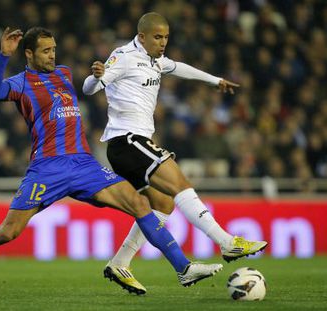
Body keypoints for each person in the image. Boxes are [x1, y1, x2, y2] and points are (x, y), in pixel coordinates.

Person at [0, 27, 224, 299]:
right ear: (29, 54)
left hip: (84, 165)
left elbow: (94, 86)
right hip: (48, 167)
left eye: (54, 49)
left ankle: (183, 268)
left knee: (141, 204)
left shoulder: (64, 73)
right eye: (45, 51)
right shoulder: (20, 83)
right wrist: (3, 56)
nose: (52, 55)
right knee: (8, 232)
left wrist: (99, 75)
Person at [83, 12, 268, 295]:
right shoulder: (124, 56)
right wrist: (95, 78)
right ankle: (227, 242)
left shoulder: (156, 60)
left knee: (163, 204)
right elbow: (90, 87)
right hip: (127, 140)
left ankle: (120, 262)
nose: (163, 42)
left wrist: (215, 80)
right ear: (142, 37)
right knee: (181, 184)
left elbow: (179, 67)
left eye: (166, 37)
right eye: (158, 37)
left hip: (133, 145)